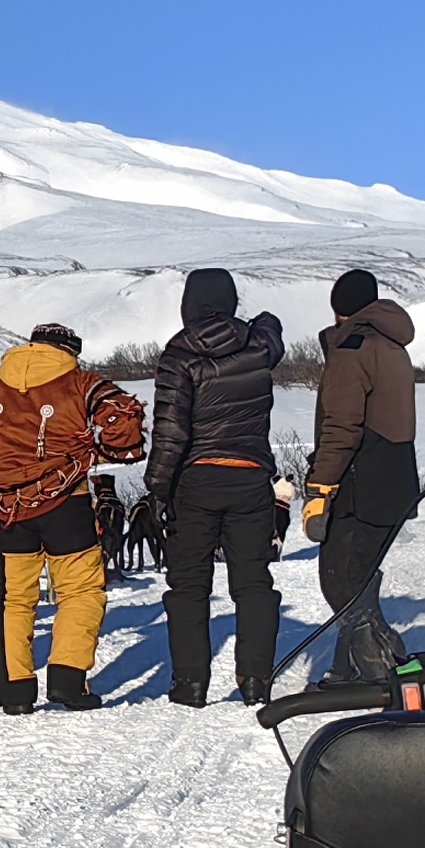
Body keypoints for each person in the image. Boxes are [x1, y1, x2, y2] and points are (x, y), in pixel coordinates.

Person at [0, 324, 145, 713]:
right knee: (80, 592)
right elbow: (124, 415)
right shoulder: (81, 383)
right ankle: (68, 681)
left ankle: (15, 693)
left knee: (11, 599)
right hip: (67, 504)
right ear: (69, 352)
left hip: (5, 510)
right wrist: (107, 451)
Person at [147, 268, 288, 706]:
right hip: (250, 475)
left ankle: (190, 682)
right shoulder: (258, 347)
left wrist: (157, 488)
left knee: (189, 584)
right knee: (253, 582)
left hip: (198, 478)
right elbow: (271, 327)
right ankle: (256, 679)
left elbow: (171, 433)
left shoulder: (179, 354)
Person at [305, 267, 422, 682]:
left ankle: (378, 672)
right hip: (394, 479)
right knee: (360, 576)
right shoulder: (392, 344)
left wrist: (320, 487)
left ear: (340, 309)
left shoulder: (352, 349)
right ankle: (346, 667)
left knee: (340, 581)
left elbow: (341, 427)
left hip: (360, 482)